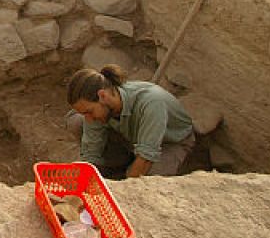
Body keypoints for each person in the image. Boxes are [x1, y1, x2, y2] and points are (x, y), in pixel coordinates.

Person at [66, 64, 195, 179]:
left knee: (149, 180)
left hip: (168, 143)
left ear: (102, 96)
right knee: (77, 122)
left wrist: (126, 187)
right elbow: (90, 153)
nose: (88, 118)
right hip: (132, 137)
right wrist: (83, 182)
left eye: (89, 111)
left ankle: (126, 169)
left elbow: (146, 157)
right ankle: (120, 165)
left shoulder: (151, 103)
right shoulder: (104, 105)